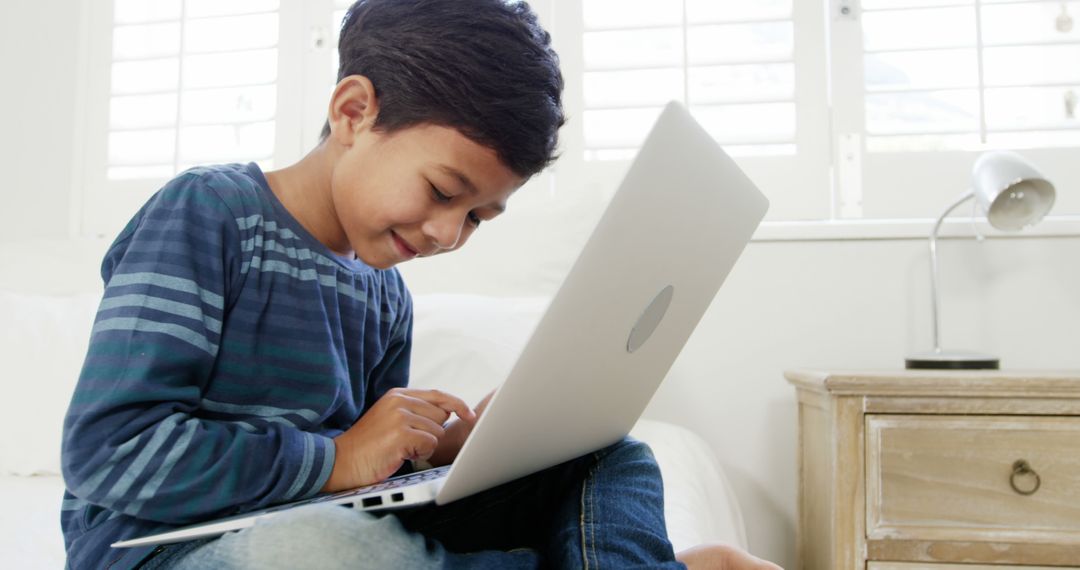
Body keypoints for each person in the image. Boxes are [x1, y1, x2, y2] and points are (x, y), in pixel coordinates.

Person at [60, 0, 782, 568]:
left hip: (319, 522)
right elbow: (108, 453)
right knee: (324, 554)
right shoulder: (209, 214)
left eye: (478, 217)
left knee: (608, 452)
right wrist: (337, 458)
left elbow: (367, 481)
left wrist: (447, 452)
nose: (446, 234)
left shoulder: (383, 292)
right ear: (353, 113)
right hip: (168, 551)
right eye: (442, 190)